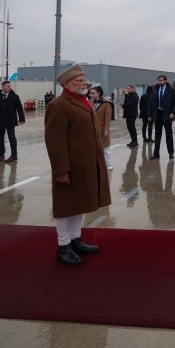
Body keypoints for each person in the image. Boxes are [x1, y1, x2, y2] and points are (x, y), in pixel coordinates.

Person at [45, 64, 111, 266]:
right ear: (67, 84)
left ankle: (75, 239)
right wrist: (61, 170)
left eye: (84, 79)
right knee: (66, 206)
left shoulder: (82, 100)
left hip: (86, 164)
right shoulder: (59, 105)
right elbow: (54, 141)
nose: (85, 83)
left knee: (79, 203)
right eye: (80, 80)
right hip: (71, 166)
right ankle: (63, 246)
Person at [0, 80, 25, 162]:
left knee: (12, 137)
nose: (10, 88)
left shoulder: (15, 96)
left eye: (10, 86)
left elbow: (20, 109)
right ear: (3, 87)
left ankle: (14, 155)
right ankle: (0, 154)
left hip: (10, 121)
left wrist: (21, 119)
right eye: (8, 86)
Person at [148, 74, 175, 160]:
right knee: (157, 135)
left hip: (167, 115)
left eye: (161, 80)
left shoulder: (171, 90)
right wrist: (149, 115)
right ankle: (156, 154)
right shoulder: (154, 89)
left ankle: (171, 153)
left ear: (165, 81)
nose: (160, 82)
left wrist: (173, 113)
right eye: (159, 80)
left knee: (168, 135)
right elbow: (151, 103)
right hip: (157, 114)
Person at [90, 85, 114, 171]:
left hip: (102, 128)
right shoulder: (91, 102)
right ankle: (97, 163)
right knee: (94, 148)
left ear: (99, 93)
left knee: (105, 148)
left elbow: (108, 117)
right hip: (92, 128)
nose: (91, 95)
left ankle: (109, 164)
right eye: (90, 93)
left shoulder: (106, 103)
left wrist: (106, 129)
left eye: (93, 93)